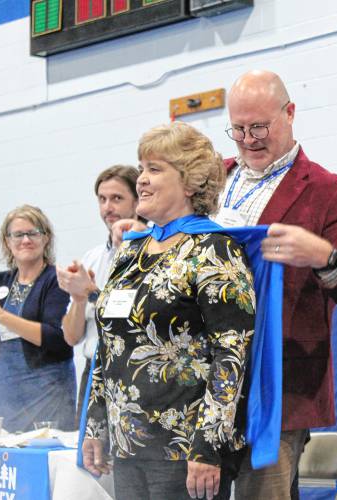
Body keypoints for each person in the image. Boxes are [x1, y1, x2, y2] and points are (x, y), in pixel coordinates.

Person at [214, 70, 337, 498]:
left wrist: (323, 256)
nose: (248, 139)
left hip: (278, 393)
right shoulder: (211, 180)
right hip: (203, 389)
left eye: (259, 127)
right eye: (237, 129)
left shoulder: (330, 192)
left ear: (290, 113)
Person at [82, 122, 256, 500]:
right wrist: (95, 427)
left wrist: (207, 445)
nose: (141, 180)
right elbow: (107, 347)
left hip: (186, 452)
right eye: (141, 168)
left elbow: (232, 355)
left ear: (190, 183)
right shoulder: (131, 253)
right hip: (128, 447)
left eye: (155, 169)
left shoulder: (213, 250)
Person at [0, 205, 75, 432]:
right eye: (18, 234)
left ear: (46, 238)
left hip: (47, 393)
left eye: (33, 233)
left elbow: (55, 337)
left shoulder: (56, 280)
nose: (26, 240)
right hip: (4, 391)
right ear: (7, 242)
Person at [57, 165, 141, 424]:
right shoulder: (92, 258)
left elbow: (130, 318)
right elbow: (71, 337)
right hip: (92, 373)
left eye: (117, 199)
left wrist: (92, 292)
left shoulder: (148, 251)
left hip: (131, 374)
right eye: (102, 200)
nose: (108, 208)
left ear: (138, 201)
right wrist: (79, 298)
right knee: (87, 461)